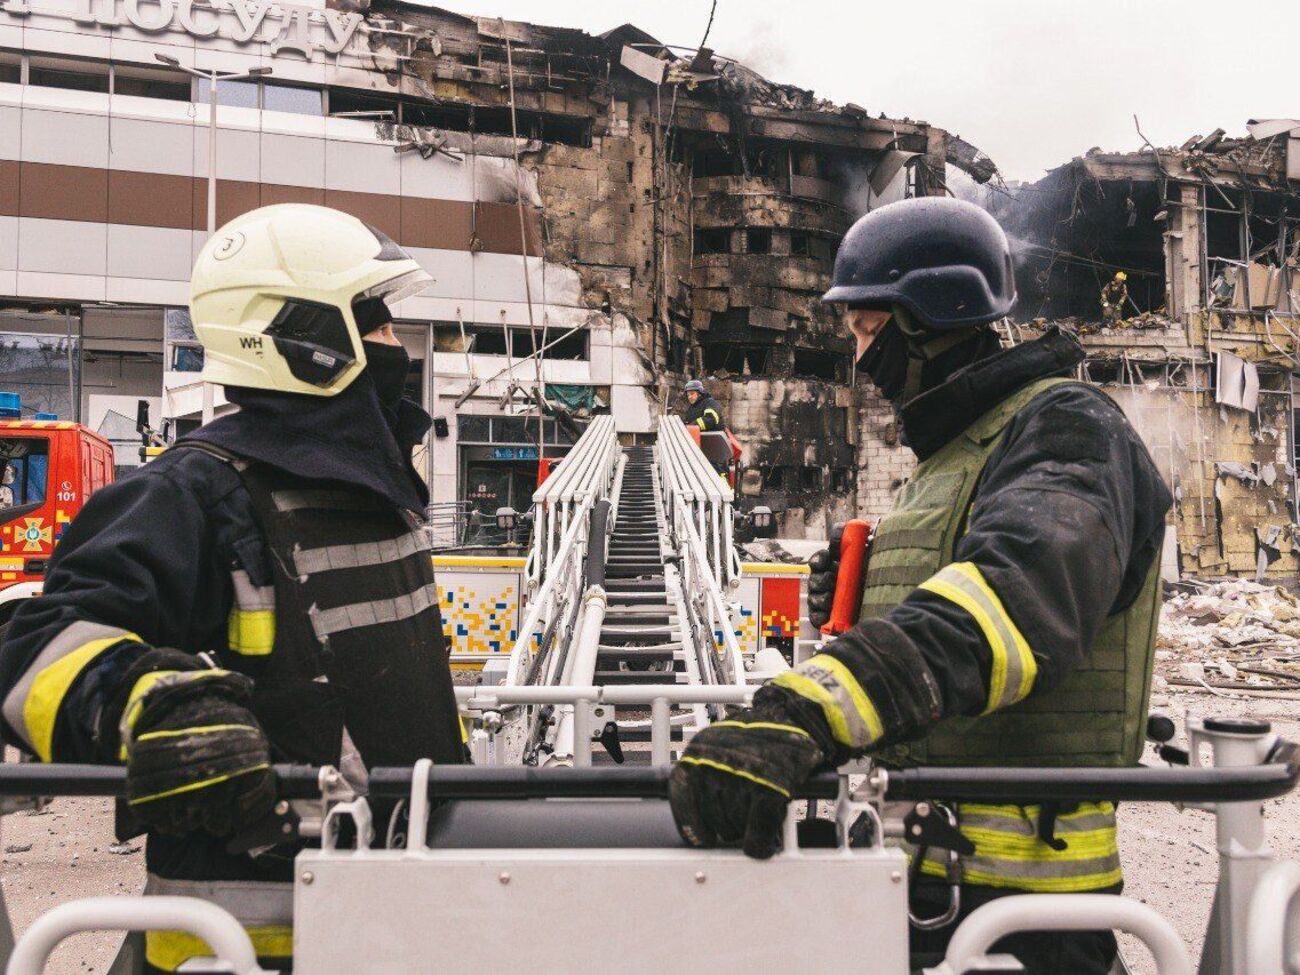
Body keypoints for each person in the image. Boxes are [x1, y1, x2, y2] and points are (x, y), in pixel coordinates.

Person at [669, 197, 1171, 975]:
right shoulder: (953, 458)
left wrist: (809, 708)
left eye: (869, 331)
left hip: (1024, 926)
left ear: (931, 321)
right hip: (927, 889)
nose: (860, 357)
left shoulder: (1068, 427)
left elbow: (1019, 598)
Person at [0, 204, 465, 973]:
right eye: (372, 319)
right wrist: (150, 704)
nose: (393, 343)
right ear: (306, 339)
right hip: (237, 945)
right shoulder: (193, 493)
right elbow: (32, 646)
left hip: (397, 916)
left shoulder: (379, 492)